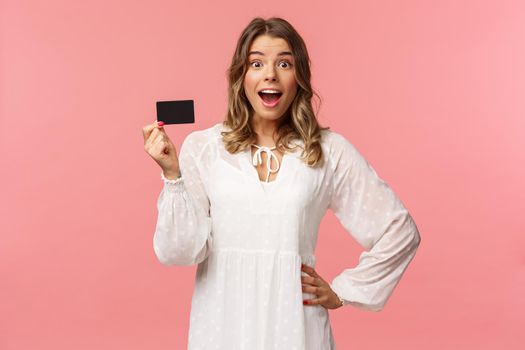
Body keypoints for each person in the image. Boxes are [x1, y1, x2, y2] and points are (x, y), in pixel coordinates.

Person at [142, 16, 420, 350]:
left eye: (284, 63)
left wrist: (344, 292)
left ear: (299, 77)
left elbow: (399, 230)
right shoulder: (204, 148)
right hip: (223, 326)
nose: (270, 74)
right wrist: (173, 175)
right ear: (241, 77)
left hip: (296, 328)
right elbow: (180, 252)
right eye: (256, 63)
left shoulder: (328, 151)